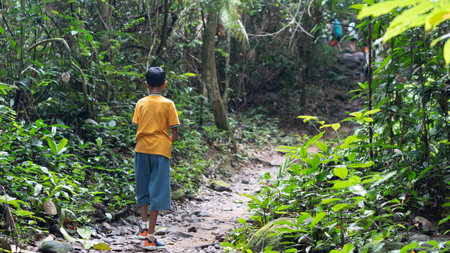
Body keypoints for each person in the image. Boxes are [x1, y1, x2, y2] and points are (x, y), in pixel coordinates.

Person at [132, 67, 180, 250]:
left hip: (141, 148)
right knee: (157, 193)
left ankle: (143, 228)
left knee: (142, 187)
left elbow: (138, 125)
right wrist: (166, 143)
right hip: (160, 150)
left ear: (146, 84)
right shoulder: (168, 104)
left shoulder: (140, 103)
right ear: (165, 84)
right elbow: (174, 132)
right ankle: (150, 238)